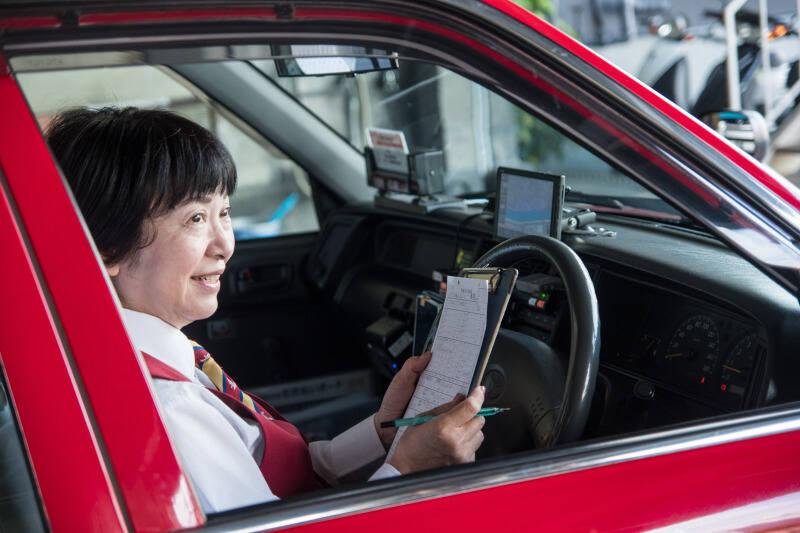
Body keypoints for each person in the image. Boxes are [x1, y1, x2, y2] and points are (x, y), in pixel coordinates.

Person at [46, 107, 486, 513]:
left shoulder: (149, 355)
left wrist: (385, 432)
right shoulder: (168, 408)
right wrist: (409, 472)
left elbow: (269, 469)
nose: (224, 245)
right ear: (103, 248)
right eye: (195, 219)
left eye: (225, 212)